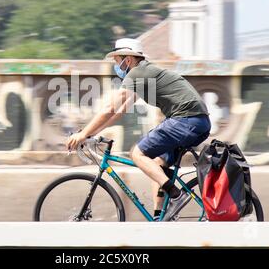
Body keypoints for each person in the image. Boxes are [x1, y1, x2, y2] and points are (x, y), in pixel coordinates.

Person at [66, 38, 211, 221]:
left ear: (128, 59)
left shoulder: (137, 73)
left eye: (117, 60)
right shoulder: (145, 75)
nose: (116, 65)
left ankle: (176, 195)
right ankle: (162, 216)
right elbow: (119, 112)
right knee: (158, 163)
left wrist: (82, 134)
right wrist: (92, 133)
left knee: (137, 153)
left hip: (185, 119)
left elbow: (110, 108)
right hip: (197, 122)